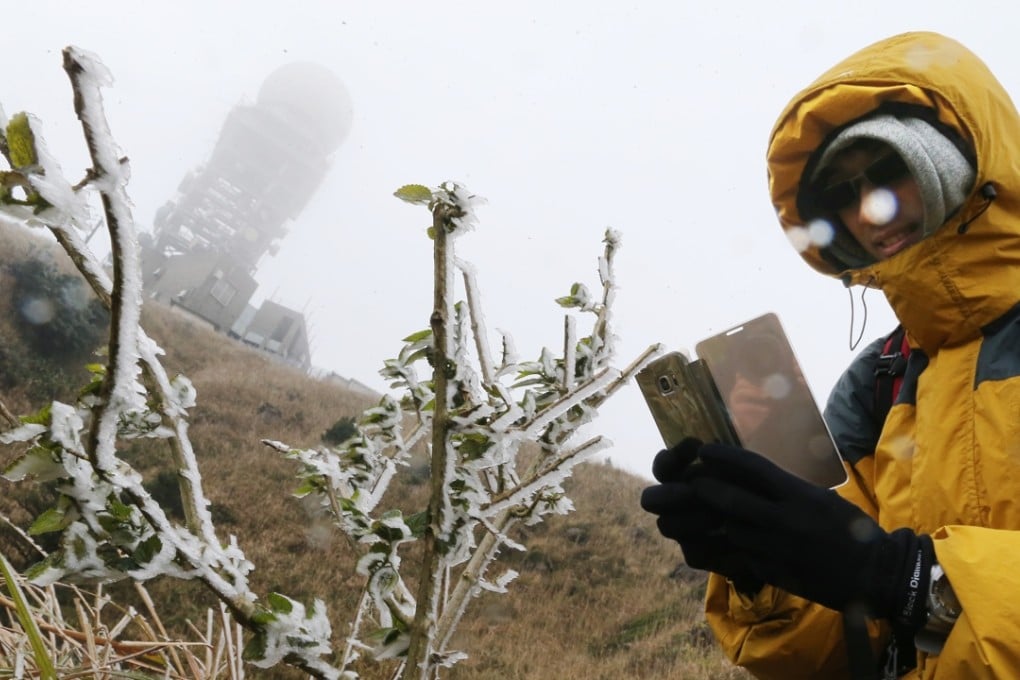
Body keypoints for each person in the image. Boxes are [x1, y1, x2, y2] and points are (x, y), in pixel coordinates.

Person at [640, 31, 1020, 679]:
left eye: (888, 169)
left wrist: (909, 578)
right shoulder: (879, 382)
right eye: (841, 195)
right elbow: (840, 648)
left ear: (959, 158)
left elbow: (891, 582)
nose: (868, 212)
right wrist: (758, 564)